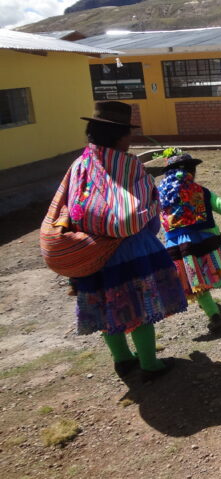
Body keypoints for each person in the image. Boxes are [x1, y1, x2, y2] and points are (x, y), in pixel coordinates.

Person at [41, 101, 187, 381]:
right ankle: (149, 365)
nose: (131, 140)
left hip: (92, 251)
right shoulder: (128, 167)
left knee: (111, 307)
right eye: (128, 134)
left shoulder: (80, 165)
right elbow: (144, 211)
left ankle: (122, 360)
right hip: (131, 251)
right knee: (140, 308)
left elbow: (69, 205)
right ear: (119, 136)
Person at [158, 153, 221, 333]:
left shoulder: (159, 194)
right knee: (203, 276)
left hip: (179, 247)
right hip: (205, 242)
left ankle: (213, 313)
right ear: (191, 172)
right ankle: (212, 311)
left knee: (194, 282)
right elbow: (220, 204)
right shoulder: (200, 191)